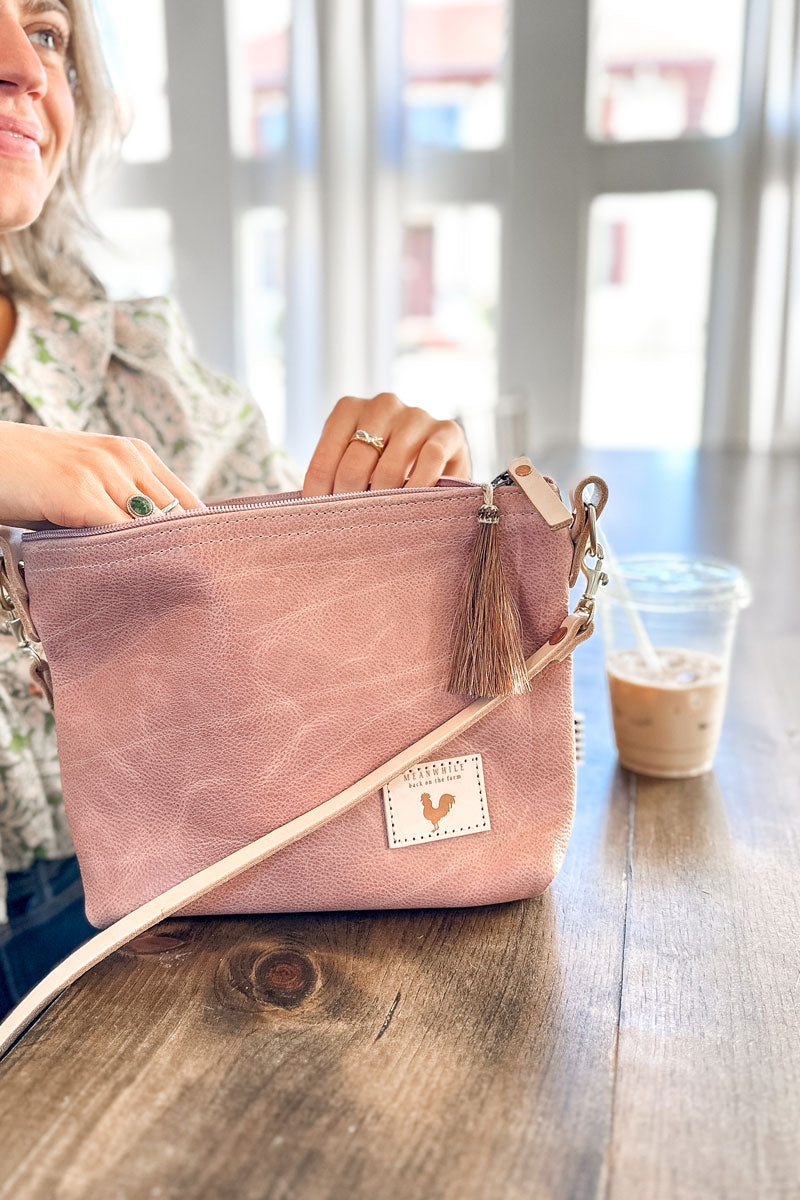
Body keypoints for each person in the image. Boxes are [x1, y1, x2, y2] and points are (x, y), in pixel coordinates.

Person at [0, 0, 471, 1017]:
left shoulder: (132, 358)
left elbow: (271, 645)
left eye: (45, 31)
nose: (23, 70)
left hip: (135, 905)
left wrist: (404, 525)